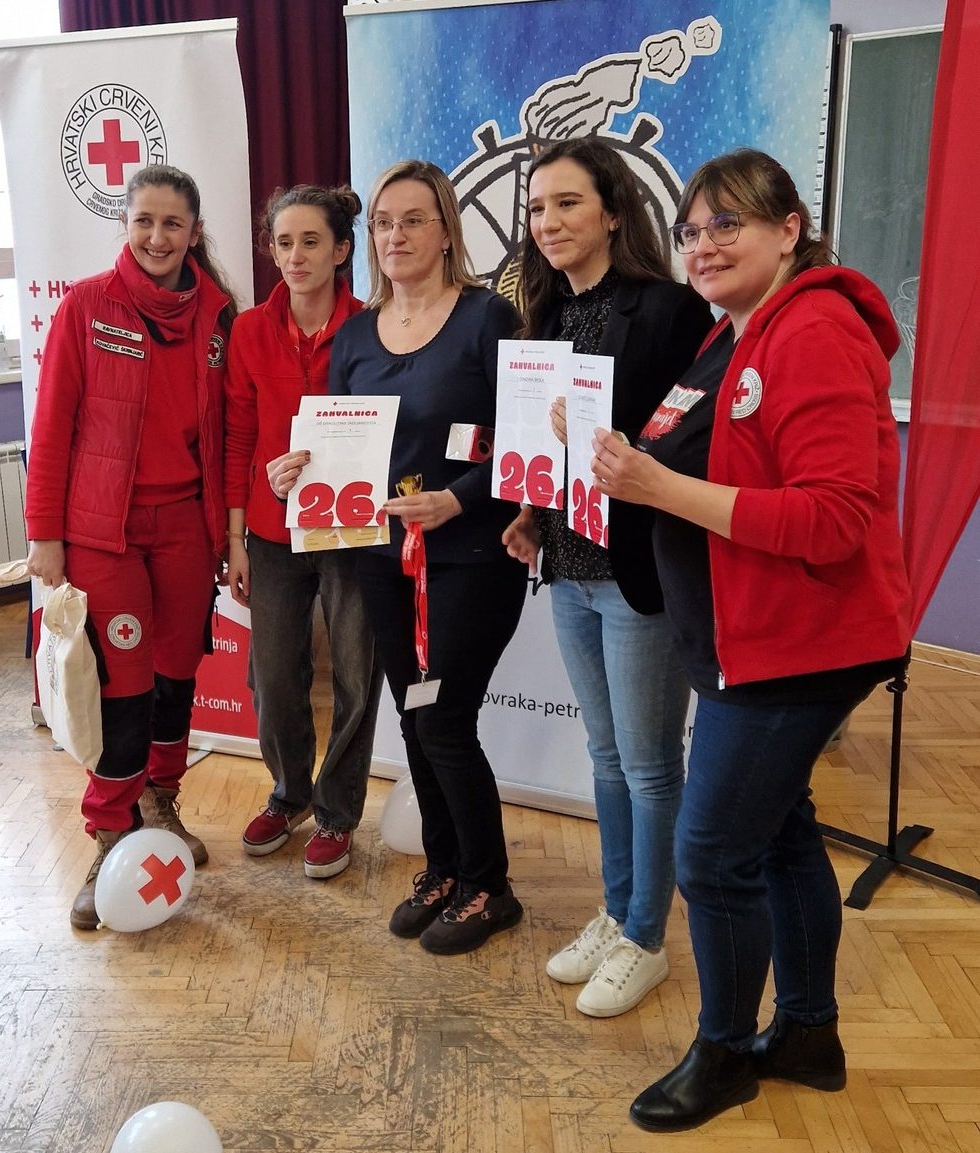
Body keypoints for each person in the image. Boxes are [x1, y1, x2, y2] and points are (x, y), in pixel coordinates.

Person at [586, 149, 911, 1130]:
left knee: (711, 855)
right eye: (691, 230)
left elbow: (832, 518)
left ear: (788, 228)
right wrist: (623, 470)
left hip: (799, 646)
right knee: (778, 833)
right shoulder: (732, 334)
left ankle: (723, 1053)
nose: (704, 244)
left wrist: (657, 485)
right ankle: (807, 1033)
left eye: (727, 223)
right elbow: (692, 460)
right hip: (749, 642)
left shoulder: (811, 330)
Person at [273, 159, 524, 954]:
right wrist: (298, 471)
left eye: (413, 219)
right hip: (382, 561)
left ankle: (490, 885)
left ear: (447, 230)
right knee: (416, 720)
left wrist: (458, 498)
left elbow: (524, 444)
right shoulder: (354, 335)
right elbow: (340, 444)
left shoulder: (488, 319)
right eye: (383, 222)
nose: (395, 235)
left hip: (471, 556)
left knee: (444, 717)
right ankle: (445, 868)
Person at [500, 138, 713, 1017]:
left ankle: (646, 938)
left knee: (650, 765)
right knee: (605, 755)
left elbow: (691, 440)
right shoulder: (544, 315)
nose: (547, 222)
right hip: (569, 565)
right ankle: (616, 908)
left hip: (637, 574)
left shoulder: (667, 309)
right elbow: (546, 449)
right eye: (536, 208)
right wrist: (529, 511)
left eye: (567, 204)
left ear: (614, 212)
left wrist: (613, 434)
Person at [25, 164, 238, 931]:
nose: (156, 236)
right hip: (102, 532)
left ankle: (160, 799)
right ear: (125, 224)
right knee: (123, 685)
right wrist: (44, 534)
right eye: (143, 220)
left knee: (176, 675)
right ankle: (110, 833)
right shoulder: (87, 306)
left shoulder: (218, 315)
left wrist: (230, 533)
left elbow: (228, 433)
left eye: (171, 223)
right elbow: (52, 424)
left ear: (194, 231)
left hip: (186, 527)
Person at [224, 184, 381, 880]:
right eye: (283, 242)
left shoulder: (372, 327)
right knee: (273, 675)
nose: (295, 256)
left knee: (355, 672)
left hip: (350, 529)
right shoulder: (249, 331)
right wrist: (235, 539)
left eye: (311, 241)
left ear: (342, 250)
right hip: (269, 531)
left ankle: (337, 812)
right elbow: (238, 436)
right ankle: (288, 794)